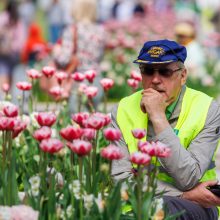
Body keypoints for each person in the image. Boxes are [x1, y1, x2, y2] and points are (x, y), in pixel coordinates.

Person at [111, 39, 220, 219]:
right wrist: (183, 194)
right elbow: (120, 179)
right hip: (135, 203)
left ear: (183, 76)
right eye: (147, 71)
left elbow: (188, 178)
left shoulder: (207, 109)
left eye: (165, 72)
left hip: (195, 207)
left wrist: (158, 118)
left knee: (164, 210)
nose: (155, 80)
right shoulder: (123, 109)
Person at [50, 0, 106, 112]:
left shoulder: (72, 30)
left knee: (78, 122)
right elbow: (100, 56)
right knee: (94, 122)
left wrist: (55, 52)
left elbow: (64, 59)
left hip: (78, 82)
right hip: (97, 81)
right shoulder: (101, 30)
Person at [0, 1, 26, 98]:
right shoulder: (18, 20)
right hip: (14, 55)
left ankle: (4, 102)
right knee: (10, 79)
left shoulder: (2, 17)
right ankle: (7, 101)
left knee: (3, 77)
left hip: (3, 54)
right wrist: (13, 47)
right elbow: (21, 41)